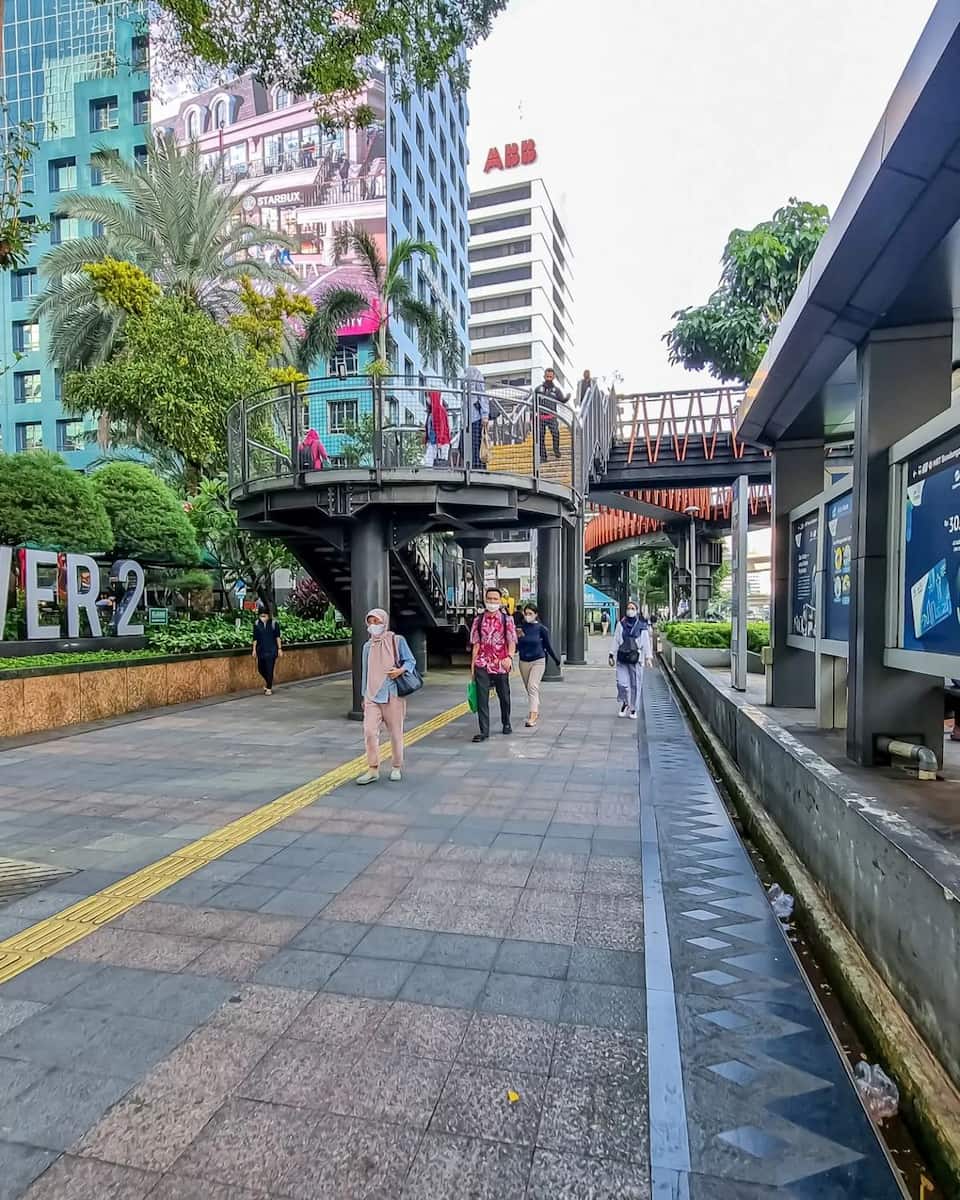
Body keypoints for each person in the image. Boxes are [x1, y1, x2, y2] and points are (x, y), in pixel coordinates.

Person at [356, 608, 416, 785]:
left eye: (377, 621)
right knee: (369, 731)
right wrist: (364, 695)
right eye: (370, 622)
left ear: (384, 622)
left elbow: (410, 661)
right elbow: (365, 672)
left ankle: (396, 766)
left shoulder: (397, 640)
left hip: (392, 695)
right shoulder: (367, 646)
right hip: (372, 696)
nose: (373, 625)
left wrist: (400, 671)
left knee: (395, 733)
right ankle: (373, 768)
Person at [470, 586, 517, 741]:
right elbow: (476, 644)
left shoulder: (507, 619)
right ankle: (484, 731)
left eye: (495, 599)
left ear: (500, 600)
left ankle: (506, 722)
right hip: (482, 663)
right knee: (482, 698)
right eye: (489, 599)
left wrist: (509, 658)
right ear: (485, 600)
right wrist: (472, 668)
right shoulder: (478, 620)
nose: (492, 601)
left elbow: (512, 641)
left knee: (504, 696)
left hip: (500, 664)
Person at [516, 602, 560, 727]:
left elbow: (547, 646)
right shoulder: (520, 628)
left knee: (532, 687)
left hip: (538, 660)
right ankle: (535, 706)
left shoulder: (541, 629)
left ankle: (533, 716)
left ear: (536, 614)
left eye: (530, 613)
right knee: (529, 688)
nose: (527, 616)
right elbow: (516, 647)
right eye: (526, 613)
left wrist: (556, 659)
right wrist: (517, 637)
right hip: (524, 661)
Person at [609, 603, 646, 719]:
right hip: (622, 657)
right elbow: (616, 639)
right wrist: (611, 653)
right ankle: (625, 702)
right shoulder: (620, 624)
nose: (630, 610)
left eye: (633, 608)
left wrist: (648, 657)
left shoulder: (641, 625)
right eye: (628, 608)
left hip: (635, 658)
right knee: (621, 683)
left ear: (637, 610)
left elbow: (646, 643)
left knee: (635, 684)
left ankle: (633, 708)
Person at [534, 367, 565, 461]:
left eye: (550, 377)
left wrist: (567, 398)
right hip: (541, 417)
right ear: (544, 376)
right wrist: (534, 413)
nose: (549, 378)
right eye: (547, 376)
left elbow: (562, 400)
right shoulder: (538, 389)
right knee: (540, 437)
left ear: (553, 377)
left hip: (552, 416)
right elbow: (533, 402)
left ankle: (556, 450)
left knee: (556, 433)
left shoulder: (557, 390)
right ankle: (543, 457)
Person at [251, 605, 282, 695]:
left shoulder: (274, 624)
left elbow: (277, 637)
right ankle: (269, 681)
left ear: (268, 615)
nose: (263, 618)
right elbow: (255, 638)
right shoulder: (257, 624)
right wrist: (254, 650)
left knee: (269, 669)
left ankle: (269, 688)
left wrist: (279, 649)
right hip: (261, 650)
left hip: (271, 650)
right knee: (260, 669)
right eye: (261, 616)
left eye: (264, 616)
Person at [466, 365, 489, 468]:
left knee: (477, 445)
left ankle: (479, 468)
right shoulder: (464, 378)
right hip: (467, 420)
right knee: (468, 445)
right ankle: (472, 466)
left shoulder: (476, 376)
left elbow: (482, 396)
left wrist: (485, 415)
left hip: (476, 418)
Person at [423, 389, 452, 467]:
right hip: (433, 441)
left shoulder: (440, 410)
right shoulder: (431, 411)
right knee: (429, 462)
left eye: (428, 396)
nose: (427, 399)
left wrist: (439, 441)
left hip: (440, 442)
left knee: (437, 462)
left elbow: (441, 427)